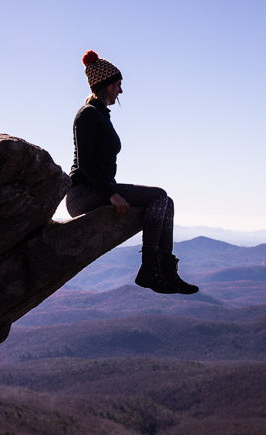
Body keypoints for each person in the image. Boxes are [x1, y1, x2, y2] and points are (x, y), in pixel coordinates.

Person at [65, 50, 198, 295]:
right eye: (118, 84)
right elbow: (84, 163)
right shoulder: (88, 115)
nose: (121, 90)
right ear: (105, 85)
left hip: (97, 189)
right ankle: (149, 269)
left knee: (166, 202)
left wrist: (110, 191)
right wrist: (112, 195)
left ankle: (166, 269)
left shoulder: (100, 114)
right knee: (159, 196)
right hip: (82, 194)